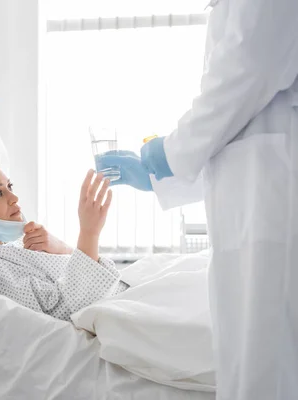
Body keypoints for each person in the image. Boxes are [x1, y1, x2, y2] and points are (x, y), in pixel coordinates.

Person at [97, 1, 298, 399]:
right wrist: (161, 174)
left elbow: (248, 67)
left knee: (266, 357)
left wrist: (167, 157)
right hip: (260, 192)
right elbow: (235, 137)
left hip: (271, 199)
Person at [0, 158, 128, 321]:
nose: (13, 197)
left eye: (9, 186)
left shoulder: (15, 245)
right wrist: (89, 233)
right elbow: (68, 313)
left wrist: (60, 247)